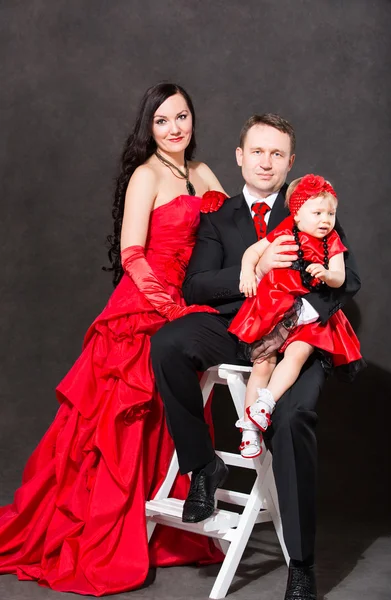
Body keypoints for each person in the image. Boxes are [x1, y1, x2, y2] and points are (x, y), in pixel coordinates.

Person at [0, 82, 228, 595]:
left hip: (192, 300)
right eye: (163, 120)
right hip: (146, 300)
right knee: (125, 417)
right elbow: (132, 252)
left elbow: (230, 236)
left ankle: (165, 527)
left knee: (171, 411)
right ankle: (112, 530)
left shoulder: (205, 172)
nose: (175, 129)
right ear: (149, 127)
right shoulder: (146, 175)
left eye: (183, 117)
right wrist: (169, 305)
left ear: (194, 119)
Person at [151, 114, 361, 600]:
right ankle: (202, 466)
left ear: (290, 163)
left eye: (277, 154)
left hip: (296, 334)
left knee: (292, 420)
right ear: (241, 157)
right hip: (233, 326)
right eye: (257, 152)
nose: (266, 162)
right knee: (168, 343)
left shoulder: (313, 210)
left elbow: (347, 278)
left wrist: (305, 311)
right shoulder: (218, 217)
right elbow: (196, 284)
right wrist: (256, 263)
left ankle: (302, 566)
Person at [229, 174, 364, 459]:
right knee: (262, 363)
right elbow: (253, 252)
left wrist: (328, 274)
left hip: (307, 318)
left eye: (331, 213)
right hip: (274, 308)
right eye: (317, 213)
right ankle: (249, 430)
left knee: (299, 353)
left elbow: (341, 277)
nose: (325, 219)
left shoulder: (332, 241)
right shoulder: (285, 231)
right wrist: (248, 271)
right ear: (297, 214)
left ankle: (266, 402)